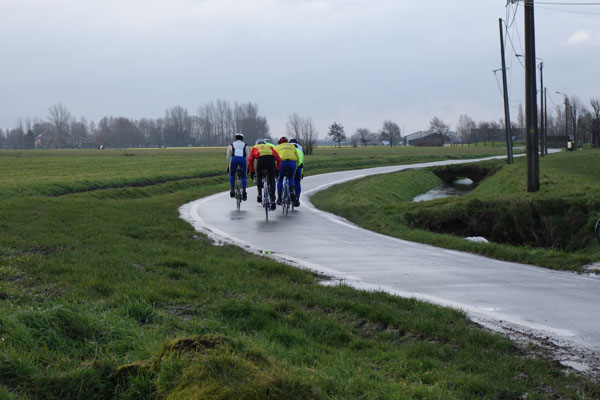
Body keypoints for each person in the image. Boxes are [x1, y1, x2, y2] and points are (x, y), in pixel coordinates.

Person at [248, 139, 281, 210]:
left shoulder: (254, 147)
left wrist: (252, 171)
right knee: (272, 181)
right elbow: (278, 159)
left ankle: (259, 195)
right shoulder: (269, 147)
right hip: (271, 160)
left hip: (261, 160)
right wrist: (277, 170)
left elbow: (250, 159)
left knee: (259, 176)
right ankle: (273, 201)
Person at [274, 136, 299, 205]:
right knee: (291, 177)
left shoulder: (277, 147)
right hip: (292, 162)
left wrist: (275, 167)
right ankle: (292, 192)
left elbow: (274, 157)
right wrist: (297, 166)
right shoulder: (292, 146)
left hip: (282, 162)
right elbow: (297, 157)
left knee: (280, 179)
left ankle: (279, 198)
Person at [226, 133, 248, 201]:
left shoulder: (231, 145)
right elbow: (247, 156)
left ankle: (232, 190)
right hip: (242, 160)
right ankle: (244, 191)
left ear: (235, 138)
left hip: (234, 160)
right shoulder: (245, 145)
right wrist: (247, 166)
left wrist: (228, 166)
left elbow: (228, 157)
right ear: (242, 138)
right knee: (243, 176)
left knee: (232, 174)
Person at [289, 138, 304, 207]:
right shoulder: (300, 150)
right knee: (297, 183)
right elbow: (302, 164)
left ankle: (288, 193)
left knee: (289, 178)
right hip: (298, 167)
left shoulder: (288, 149)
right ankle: (297, 198)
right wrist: (302, 173)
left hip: (289, 165)